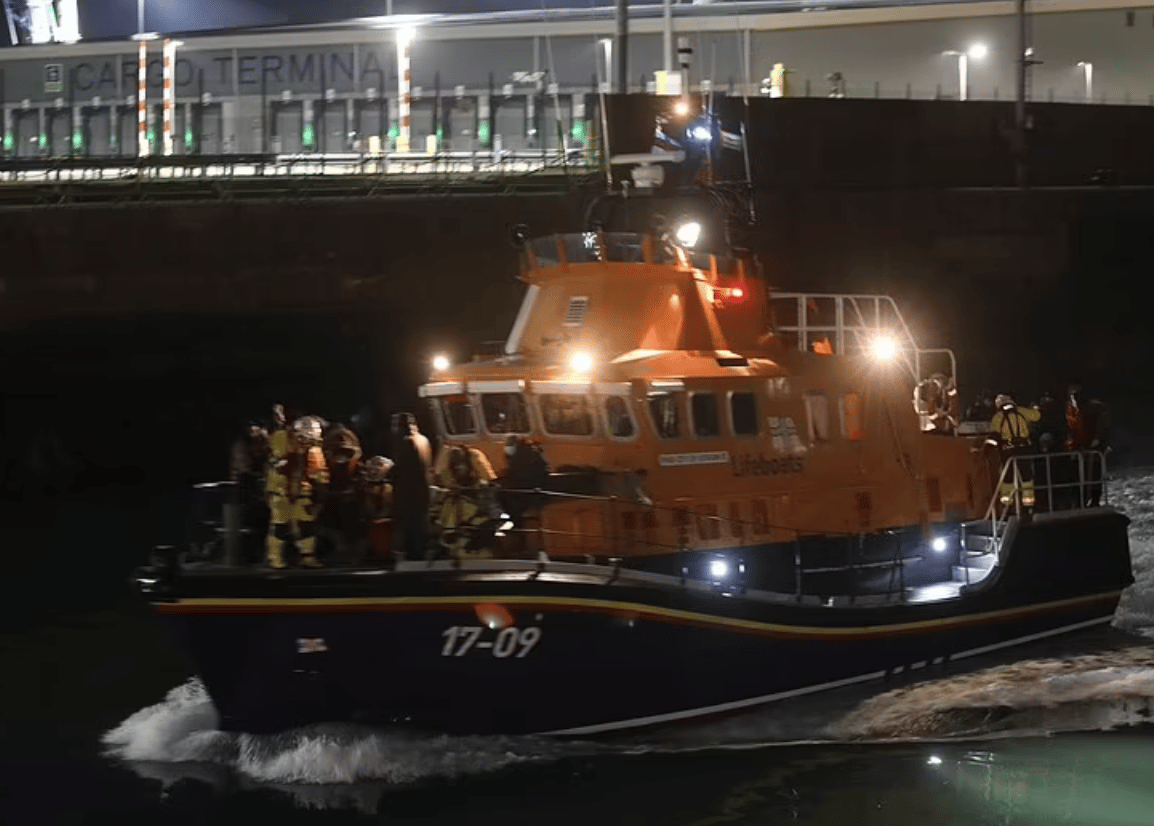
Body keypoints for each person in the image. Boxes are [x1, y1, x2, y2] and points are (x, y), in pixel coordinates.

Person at [266, 414, 328, 569]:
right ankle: (275, 558)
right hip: (281, 492)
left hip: (302, 493)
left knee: (306, 525)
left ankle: (307, 556)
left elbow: (320, 471)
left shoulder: (314, 449)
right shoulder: (282, 438)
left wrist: (322, 485)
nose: (307, 440)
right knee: (280, 526)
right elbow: (276, 459)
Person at [435, 443, 498, 559]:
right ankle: (449, 537)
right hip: (459, 498)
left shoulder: (475, 456)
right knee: (450, 509)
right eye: (456, 467)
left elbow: (489, 478)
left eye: (461, 466)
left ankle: (457, 538)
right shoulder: (448, 459)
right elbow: (446, 479)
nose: (460, 469)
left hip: (477, 496)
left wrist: (479, 490)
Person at [317, 421, 365, 565]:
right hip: (331, 506)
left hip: (350, 506)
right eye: (338, 452)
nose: (342, 457)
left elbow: (360, 479)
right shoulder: (324, 466)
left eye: (346, 452)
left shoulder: (356, 467)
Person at [497, 435, 550, 555]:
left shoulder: (519, 456)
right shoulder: (532, 451)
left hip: (527, 495)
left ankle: (517, 542)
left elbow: (518, 476)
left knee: (509, 507)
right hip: (536, 492)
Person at [391, 412, 433, 561]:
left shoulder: (406, 441)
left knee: (410, 526)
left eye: (395, 425)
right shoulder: (424, 440)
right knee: (422, 523)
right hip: (424, 490)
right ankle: (423, 552)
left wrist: (388, 472)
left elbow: (401, 469)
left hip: (408, 492)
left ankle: (413, 557)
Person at [988, 394, 1040, 513]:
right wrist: (1035, 409)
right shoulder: (1021, 411)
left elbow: (994, 436)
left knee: (1007, 478)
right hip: (1024, 448)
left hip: (1008, 450)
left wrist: (986, 450)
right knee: (1026, 476)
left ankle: (1007, 506)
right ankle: (1028, 505)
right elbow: (1037, 416)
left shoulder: (998, 417)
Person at [228, 421, 270, 564]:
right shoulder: (241, 445)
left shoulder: (266, 442)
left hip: (264, 488)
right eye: (252, 429)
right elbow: (244, 467)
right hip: (247, 487)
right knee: (253, 521)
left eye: (259, 429)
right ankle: (251, 555)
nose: (256, 432)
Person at [1065, 384, 1111, 506]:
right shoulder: (1071, 409)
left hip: (1092, 448)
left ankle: (1094, 500)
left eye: (1076, 395)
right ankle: (1081, 501)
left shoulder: (1094, 407)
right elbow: (1071, 428)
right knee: (1078, 476)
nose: (1074, 398)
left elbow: (1102, 425)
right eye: (1072, 395)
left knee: (1094, 474)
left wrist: (1097, 439)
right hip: (1079, 447)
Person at [362, 456, 394, 559]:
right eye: (372, 465)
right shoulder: (364, 487)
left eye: (379, 465)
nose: (374, 469)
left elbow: (386, 508)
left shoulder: (389, 488)